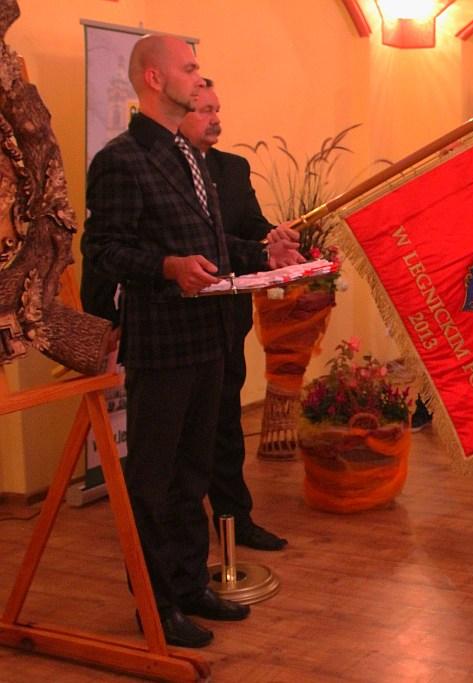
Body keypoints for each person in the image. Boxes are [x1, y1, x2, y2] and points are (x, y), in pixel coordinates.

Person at [82, 35, 303, 648]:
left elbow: (211, 245)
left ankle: (187, 585)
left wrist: (264, 252)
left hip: (210, 337)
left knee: (192, 474)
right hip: (162, 346)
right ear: (154, 79)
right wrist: (167, 268)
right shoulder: (121, 159)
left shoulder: (193, 157)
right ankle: (153, 605)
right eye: (190, 68)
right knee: (153, 482)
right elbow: (102, 253)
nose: (198, 77)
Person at [178, 78, 288, 551]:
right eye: (205, 111)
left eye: (218, 109)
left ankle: (233, 518)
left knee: (225, 423)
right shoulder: (161, 170)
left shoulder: (232, 168)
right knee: (185, 435)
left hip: (227, 318)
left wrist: (274, 242)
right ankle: (181, 536)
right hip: (177, 324)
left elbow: (250, 231)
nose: (217, 119)